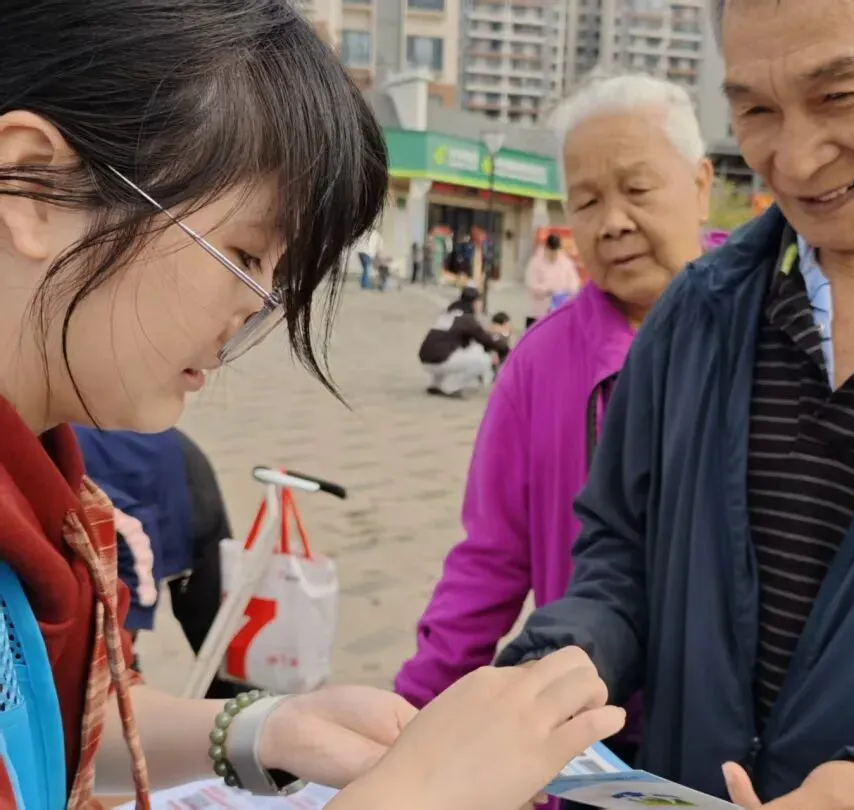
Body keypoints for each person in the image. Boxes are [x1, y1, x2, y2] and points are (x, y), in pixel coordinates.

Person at [0, 3, 621, 810]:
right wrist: (421, 795)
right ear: (37, 189)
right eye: (246, 253)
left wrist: (260, 729)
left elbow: (49, 731)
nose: (253, 310)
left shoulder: (46, 483)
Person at [496, 0, 854, 808]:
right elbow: (622, 554)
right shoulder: (696, 311)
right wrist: (554, 673)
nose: (797, 163)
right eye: (757, 111)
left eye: (840, 94)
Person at [396, 74, 713, 810]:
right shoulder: (540, 362)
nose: (613, 222)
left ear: (701, 186)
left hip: (727, 749)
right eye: (587, 201)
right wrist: (413, 716)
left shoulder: (772, 333)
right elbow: (489, 560)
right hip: (585, 747)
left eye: (637, 189)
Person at [73, 426, 250, 699]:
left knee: (217, 643)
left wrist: (128, 623)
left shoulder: (55, 466)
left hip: (180, 483)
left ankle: (245, 713)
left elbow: (134, 532)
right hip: (129, 479)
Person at [418, 287, 509, 397]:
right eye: (479, 302)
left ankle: (435, 384)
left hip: (426, 360)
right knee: (484, 360)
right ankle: (450, 387)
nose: (481, 305)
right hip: (440, 360)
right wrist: (504, 347)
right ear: (474, 303)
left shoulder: (449, 314)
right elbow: (486, 340)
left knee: (459, 348)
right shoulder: (467, 319)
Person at [525, 233, 581, 329]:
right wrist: (547, 290)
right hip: (539, 311)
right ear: (546, 248)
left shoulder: (566, 263)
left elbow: (574, 284)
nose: (553, 255)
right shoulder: (535, 262)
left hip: (560, 310)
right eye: (551, 252)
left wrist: (565, 292)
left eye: (555, 252)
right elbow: (531, 283)